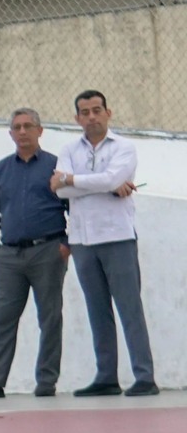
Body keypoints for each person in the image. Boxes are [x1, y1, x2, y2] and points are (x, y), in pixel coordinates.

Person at [53, 90, 156, 396]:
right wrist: (104, 184)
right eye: (85, 112)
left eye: (97, 110)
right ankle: (106, 377)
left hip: (117, 237)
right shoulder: (69, 149)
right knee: (97, 310)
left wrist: (73, 179)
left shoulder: (124, 147)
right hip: (82, 240)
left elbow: (108, 179)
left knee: (129, 308)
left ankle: (144, 376)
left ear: (108, 113)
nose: (92, 117)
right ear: (77, 118)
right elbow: (60, 191)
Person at [0, 108, 69, 399]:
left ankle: (46, 382)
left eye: (28, 126)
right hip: (9, 257)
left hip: (48, 251)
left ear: (40, 131)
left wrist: (67, 244)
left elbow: (75, 207)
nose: (23, 131)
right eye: (17, 127)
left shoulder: (56, 167)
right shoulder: (0, 170)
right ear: (10, 133)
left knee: (49, 318)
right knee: (3, 318)